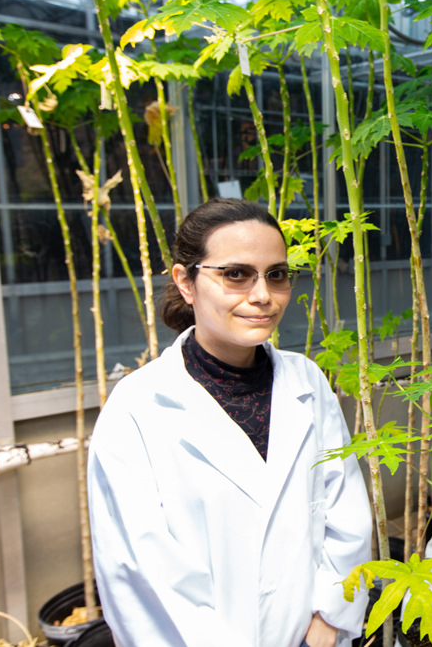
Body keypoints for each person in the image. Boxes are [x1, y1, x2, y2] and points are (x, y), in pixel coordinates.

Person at [87, 199, 371, 647]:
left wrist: (329, 622)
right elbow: (141, 574)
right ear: (186, 282)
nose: (262, 296)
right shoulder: (137, 408)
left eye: (276, 275)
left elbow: (347, 513)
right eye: (236, 274)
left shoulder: (307, 381)